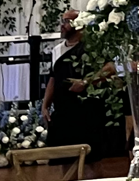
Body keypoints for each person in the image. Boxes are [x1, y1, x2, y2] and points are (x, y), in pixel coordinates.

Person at [41, 11, 114, 159]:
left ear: (80, 24)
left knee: (89, 158)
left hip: (87, 110)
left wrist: (86, 82)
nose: (63, 25)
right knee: (61, 157)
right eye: (62, 21)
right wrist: (45, 105)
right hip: (63, 110)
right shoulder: (57, 50)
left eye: (67, 21)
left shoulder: (93, 47)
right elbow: (53, 78)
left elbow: (110, 68)